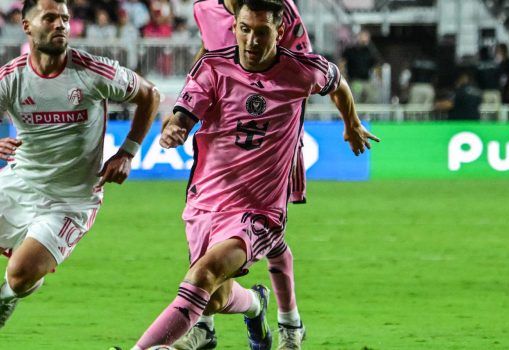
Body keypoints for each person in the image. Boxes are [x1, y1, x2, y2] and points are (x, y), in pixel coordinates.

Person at [114, 0, 378, 349]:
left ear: (279, 31)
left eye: (262, 31)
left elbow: (338, 84)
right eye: (245, 30)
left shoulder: (302, 70)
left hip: (259, 210)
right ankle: (255, 305)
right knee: (214, 298)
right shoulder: (212, 67)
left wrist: (352, 123)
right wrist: (174, 129)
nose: (252, 40)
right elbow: (183, 114)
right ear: (233, 27)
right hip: (206, 201)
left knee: (202, 276)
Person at [0, 0, 161, 348]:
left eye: (65, 18)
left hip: (72, 197)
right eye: (50, 17)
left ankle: (10, 296)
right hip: (20, 183)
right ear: (27, 26)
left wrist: (127, 153)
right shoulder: (10, 78)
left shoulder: (91, 71)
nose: (60, 24)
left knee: (20, 273)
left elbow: (150, 94)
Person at [177, 0, 312, 348]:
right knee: (206, 226)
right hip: (219, 134)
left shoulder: (278, 8)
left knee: (268, 233)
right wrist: (187, 100)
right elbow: (209, 51)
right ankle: (207, 324)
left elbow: (300, 66)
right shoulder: (204, 8)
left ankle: (289, 323)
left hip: (266, 135)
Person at [341, 30, 382, 104]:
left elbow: (376, 65)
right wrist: (342, 76)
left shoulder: (370, 52)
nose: (365, 39)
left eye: (367, 37)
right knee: (356, 96)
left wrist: (378, 78)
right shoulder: (351, 50)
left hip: (367, 81)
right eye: (363, 36)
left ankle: (367, 113)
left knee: (374, 96)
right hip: (355, 81)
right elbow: (342, 63)